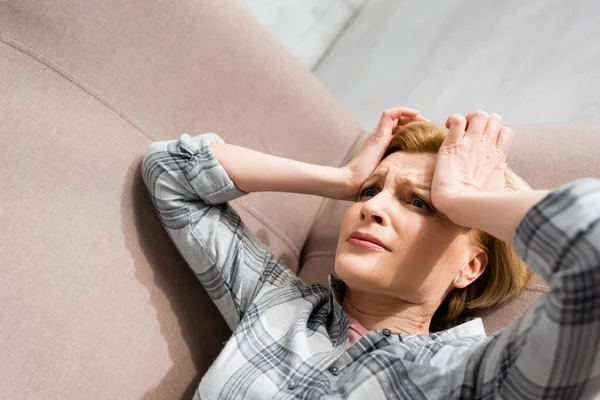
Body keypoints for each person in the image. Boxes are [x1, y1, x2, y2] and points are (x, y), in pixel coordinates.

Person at [142, 107, 600, 399]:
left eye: (421, 203)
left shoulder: (471, 378)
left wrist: (463, 199)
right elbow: (168, 171)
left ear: (471, 266)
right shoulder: (280, 305)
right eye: (369, 193)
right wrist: (341, 180)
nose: (373, 208)